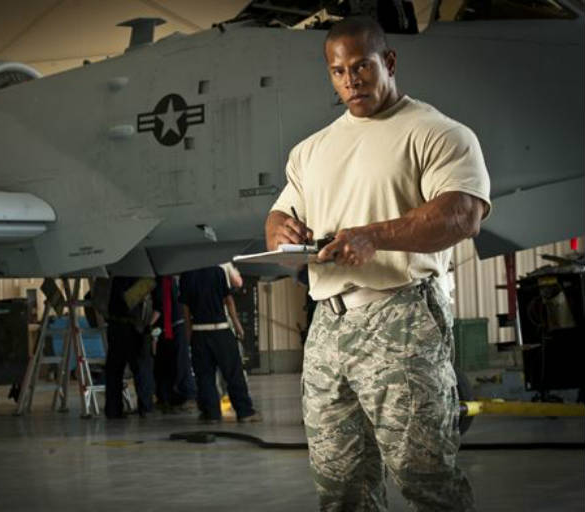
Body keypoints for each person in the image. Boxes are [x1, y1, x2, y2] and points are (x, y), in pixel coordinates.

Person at [266, 17, 490, 512]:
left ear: (388, 62)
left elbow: (463, 213)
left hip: (402, 318)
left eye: (362, 66)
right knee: (340, 484)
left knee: (424, 477)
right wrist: (280, 228)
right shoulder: (311, 150)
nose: (351, 80)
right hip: (328, 324)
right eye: (339, 71)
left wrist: (376, 236)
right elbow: (282, 211)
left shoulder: (437, 133)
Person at [179, 266, 261, 423]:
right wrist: (237, 324)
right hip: (221, 330)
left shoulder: (187, 274)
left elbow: (186, 309)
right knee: (233, 373)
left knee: (204, 376)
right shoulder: (217, 271)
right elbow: (228, 300)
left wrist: (189, 335)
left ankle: (211, 414)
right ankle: (244, 412)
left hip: (199, 331)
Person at [104, 276, 156, 419]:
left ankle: (113, 410)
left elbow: (92, 297)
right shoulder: (141, 276)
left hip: (114, 327)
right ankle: (146, 408)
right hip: (134, 328)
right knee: (141, 369)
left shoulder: (112, 276)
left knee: (114, 370)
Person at [151, 275, 196, 412]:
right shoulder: (170, 280)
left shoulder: (163, 281)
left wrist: (148, 325)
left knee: (177, 364)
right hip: (172, 327)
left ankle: (185, 396)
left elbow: (160, 307)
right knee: (171, 364)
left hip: (172, 327)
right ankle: (171, 397)